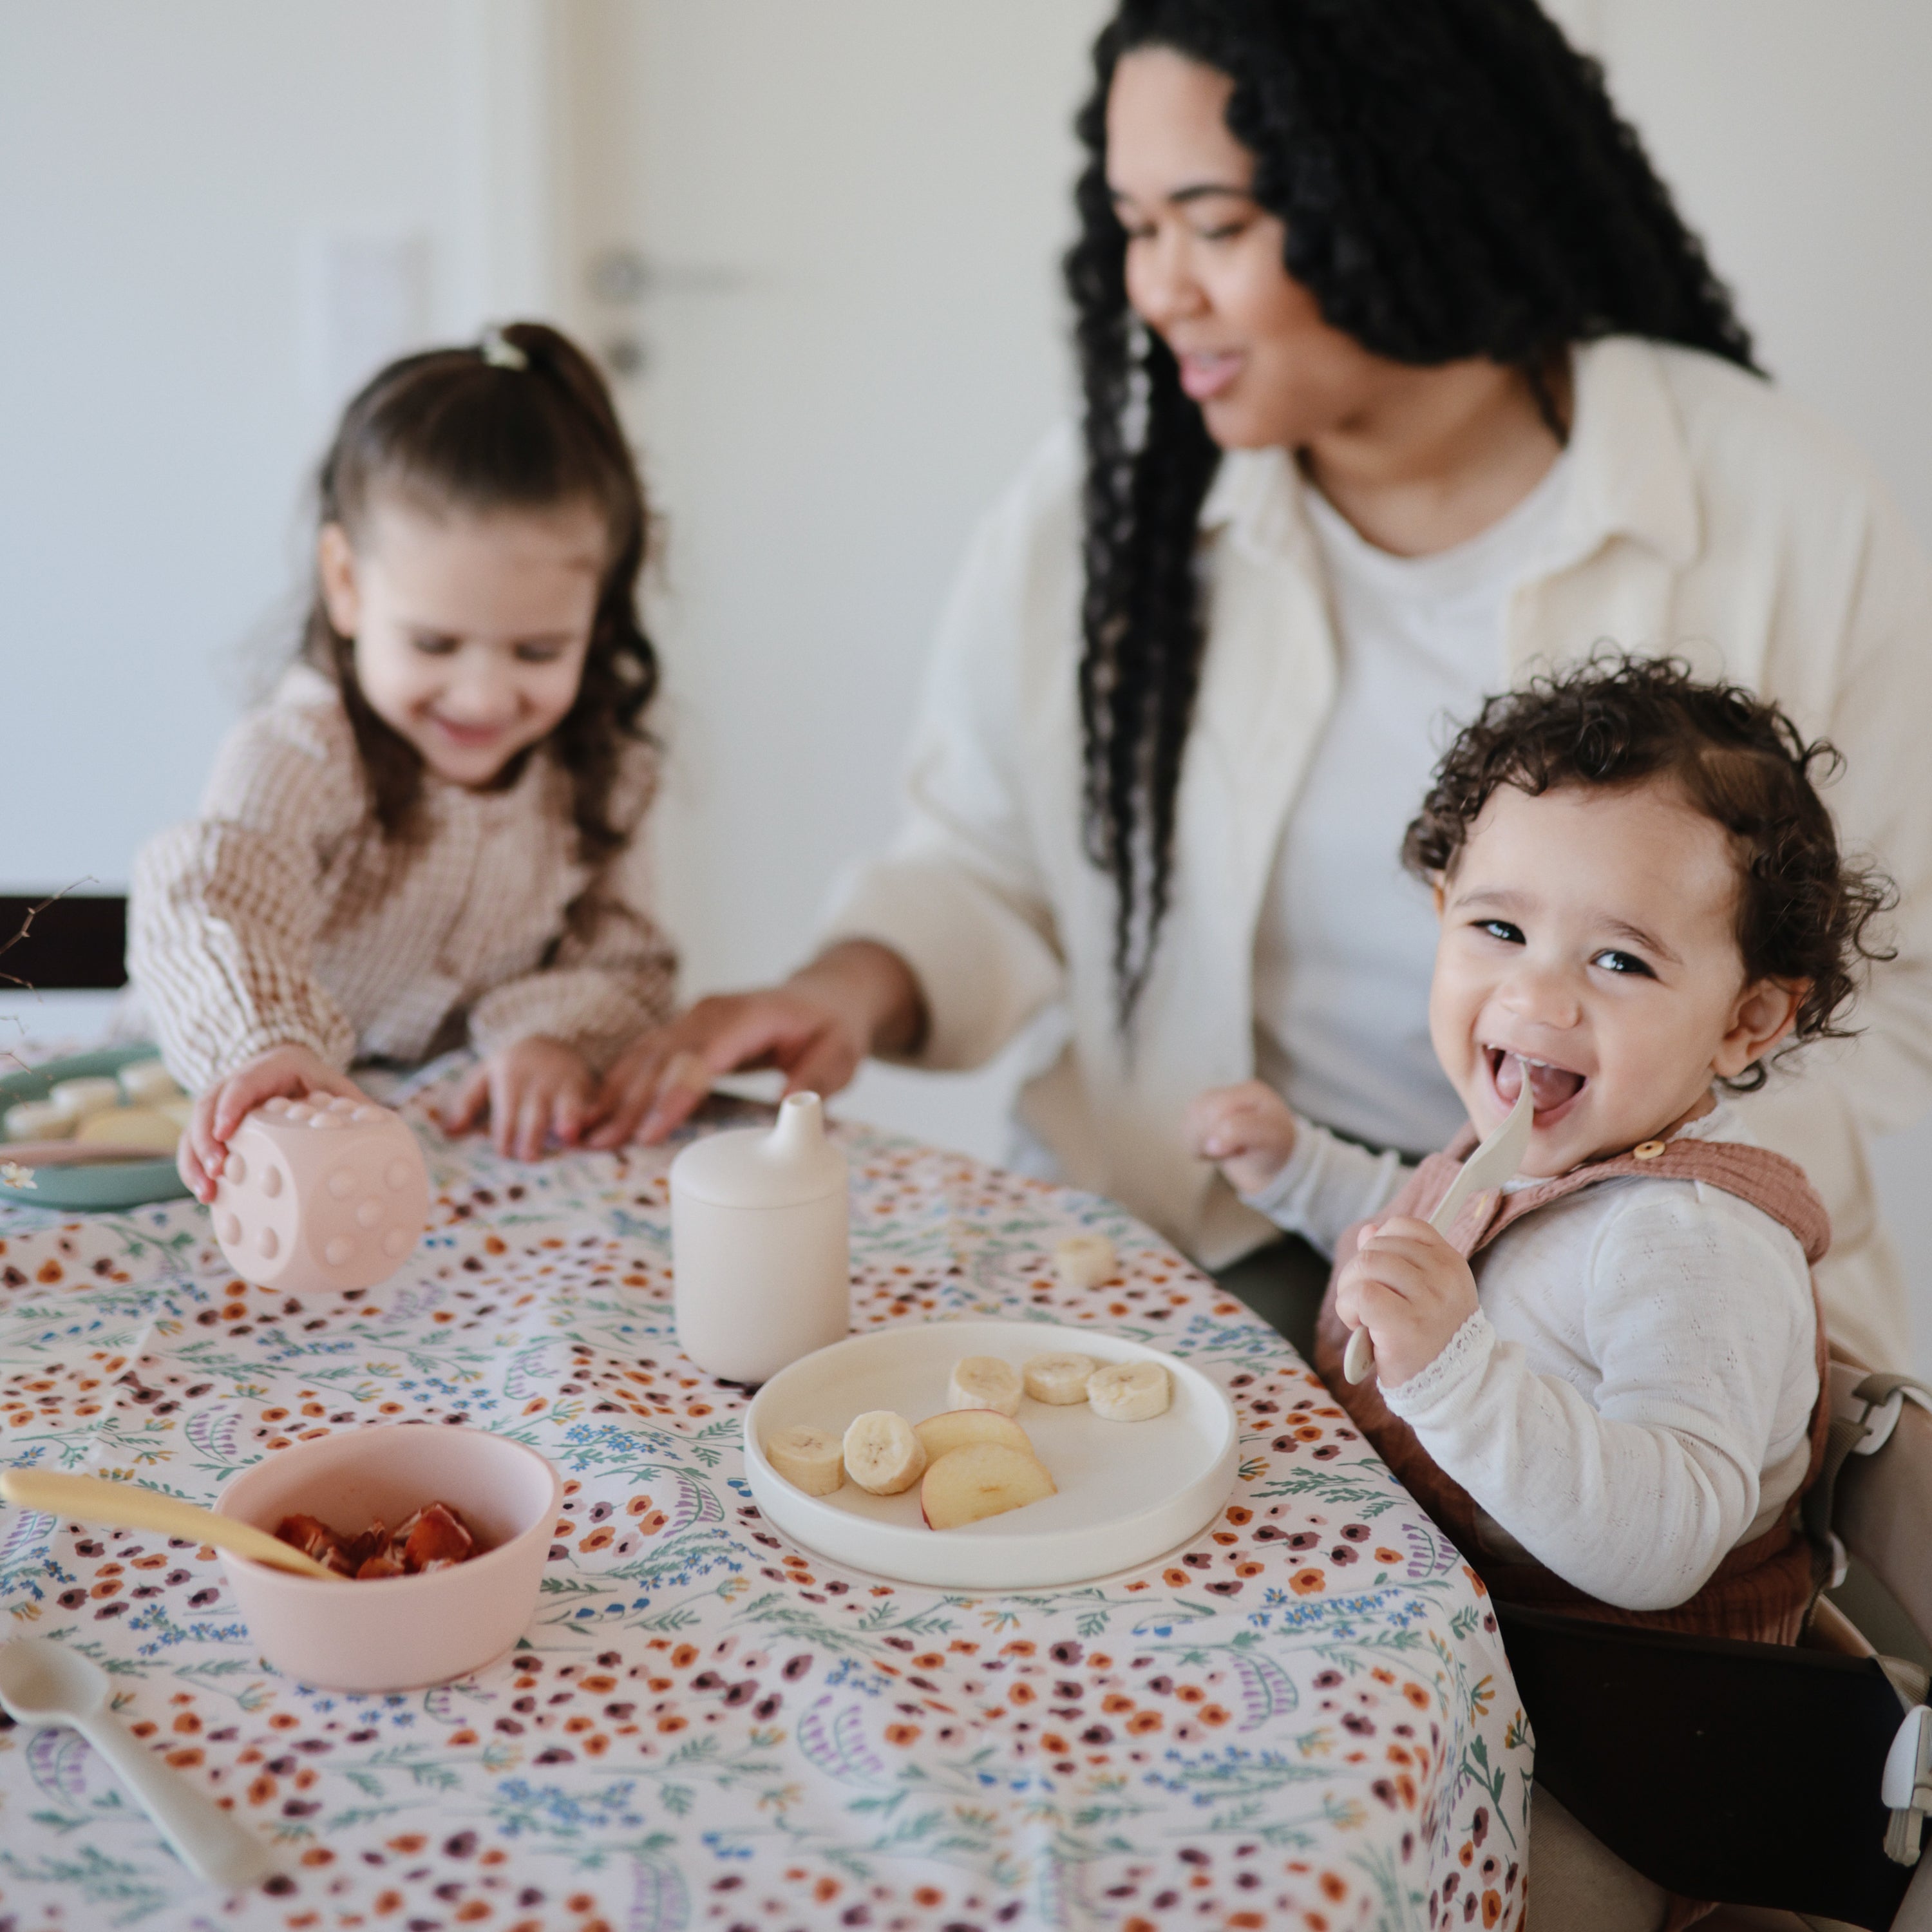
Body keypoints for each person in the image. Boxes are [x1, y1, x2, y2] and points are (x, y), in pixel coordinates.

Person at [589, 0, 1932, 1372]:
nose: (1157, 287)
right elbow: (987, 864)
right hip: (1187, 1251)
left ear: (1401, 192)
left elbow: (1891, 986)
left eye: (1214, 226)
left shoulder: (1779, 512)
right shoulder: (1109, 512)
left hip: (1614, 1322)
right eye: (1136, 226)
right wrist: (850, 989)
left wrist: (1560, 1218)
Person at [1188, 656, 1891, 1927]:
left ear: (1749, 1022)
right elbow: (1425, 1224)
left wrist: (1455, 1369)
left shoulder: (1687, 1244)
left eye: (1621, 961)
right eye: (1499, 931)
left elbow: (1665, 1544)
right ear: (1444, 907)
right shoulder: (1532, 1154)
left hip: (1613, 1758)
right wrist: (1297, 1168)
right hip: (1455, 1658)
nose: (1538, 993)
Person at [131, 322, 676, 1198]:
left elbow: (624, 959)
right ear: (346, 584)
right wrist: (268, 1043)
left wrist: (549, 1039)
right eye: (434, 643)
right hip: (232, 1142)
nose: (484, 697)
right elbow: (207, 899)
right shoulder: (300, 753)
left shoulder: (605, 774)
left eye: (538, 652)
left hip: (442, 1166)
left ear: (598, 619)